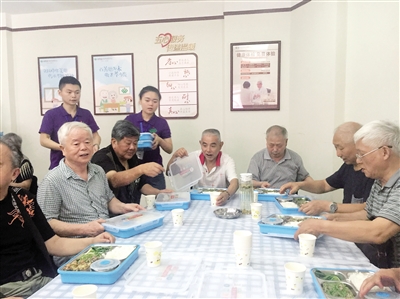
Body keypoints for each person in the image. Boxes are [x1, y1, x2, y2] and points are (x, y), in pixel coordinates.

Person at [0, 139, 115, 299]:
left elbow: (52, 243)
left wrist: (93, 242)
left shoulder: (23, 199)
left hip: (39, 280)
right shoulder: (53, 179)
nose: (83, 147)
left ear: (14, 174)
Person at [294, 120, 400, 268]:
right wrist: (332, 218)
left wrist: (321, 226)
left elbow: (378, 231)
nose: (358, 160)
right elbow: (367, 213)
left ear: (384, 152)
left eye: (362, 154)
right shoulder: (380, 179)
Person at [37, 122, 144, 266]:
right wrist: (85, 228)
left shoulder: (98, 171)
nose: (84, 147)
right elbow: (47, 224)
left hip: (107, 239)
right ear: (63, 149)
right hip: (75, 251)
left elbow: (109, 200)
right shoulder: (52, 181)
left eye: (87, 142)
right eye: (76, 144)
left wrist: (126, 208)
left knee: (142, 256)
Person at [279, 122, 374, 215]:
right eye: (335, 148)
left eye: (341, 148)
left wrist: (327, 206)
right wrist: (299, 185)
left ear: (357, 144)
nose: (338, 154)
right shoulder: (348, 166)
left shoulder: (372, 171)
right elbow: (324, 185)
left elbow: (367, 208)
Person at [92, 120, 168, 205]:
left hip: (130, 212)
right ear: (114, 142)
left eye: (135, 143)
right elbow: (114, 180)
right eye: (128, 143)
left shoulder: (131, 157)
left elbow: (141, 185)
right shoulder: (102, 157)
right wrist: (141, 169)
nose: (132, 147)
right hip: (109, 215)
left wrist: (159, 192)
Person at [39, 76, 101, 170]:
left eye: (77, 92)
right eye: (69, 92)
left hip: (83, 165)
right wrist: (64, 148)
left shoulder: (86, 114)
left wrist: (95, 145)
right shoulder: (51, 114)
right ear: (60, 93)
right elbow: (43, 140)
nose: (73, 95)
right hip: (59, 165)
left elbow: (96, 135)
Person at [166, 129, 239, 206]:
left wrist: (227, 194)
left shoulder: (227, 160)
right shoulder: (194, 158)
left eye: (213, 146)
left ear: (220, 145)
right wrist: (174, 156)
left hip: (219, 200)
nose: (208, 150)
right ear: (200, 144)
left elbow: (235, 183)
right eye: (204, 145)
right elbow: (170, 172)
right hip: (197, 201)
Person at [125, 86, 173, 190]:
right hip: (132, 167)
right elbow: (121, 142)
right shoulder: (130, 120)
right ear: (140, 101)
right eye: (147, 100)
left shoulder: (161, 122)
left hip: (154, 168)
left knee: (160, 199)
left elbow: (169, 149)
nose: (151, 104)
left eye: (155, 101)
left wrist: (159, 140)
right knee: (131, 201)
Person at [247, 125, 312, 188]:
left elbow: (305, 178)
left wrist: (312, 185)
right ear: (266, 141)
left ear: (286, 142)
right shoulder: (257, 158)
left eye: (279, 145)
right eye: (271, 145)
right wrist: (260, 184)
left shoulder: (295, 158)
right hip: (264, 196)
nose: (275, 149)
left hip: (289, 196)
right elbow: (249, 181)